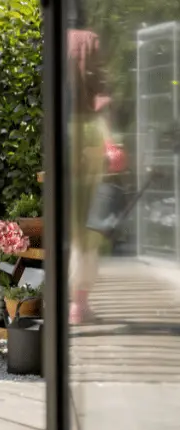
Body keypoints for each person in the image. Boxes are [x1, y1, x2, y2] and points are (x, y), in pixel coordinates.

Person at [67, 29, 126, 324]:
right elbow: (100, 107)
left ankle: (77, 302)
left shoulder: (66, 52)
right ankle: (79, 303)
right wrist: (108, 148)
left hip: (74, 156)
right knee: (86, 237)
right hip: (86, 158)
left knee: (80, 236)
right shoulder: (88, 53)